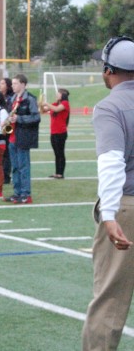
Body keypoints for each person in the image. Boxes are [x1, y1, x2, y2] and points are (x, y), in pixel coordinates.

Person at [82, 36, 134, 351]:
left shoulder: (111, 106)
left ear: (108, 70)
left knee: (110, 302)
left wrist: (110, 213)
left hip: (127, 206)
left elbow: (112, 161)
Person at [3, 74, 40, 204]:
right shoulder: (12, 99)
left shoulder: (30, 99)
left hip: (23, 137)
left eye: (15, 83)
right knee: (15, 167)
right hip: (12, 136)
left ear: (23, 84)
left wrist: (19, 119)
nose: (12, 86)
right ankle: (17, 193)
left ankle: (26, 194)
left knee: (23, 167)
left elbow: (36, 117)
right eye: (12, 84)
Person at [41, 88, 70, 179]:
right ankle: (57, 172)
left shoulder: (65, 104)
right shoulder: (54, 104)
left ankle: (60, 173)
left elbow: (57, 109)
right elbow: (43, 111)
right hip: (53, 132)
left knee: (60, 153)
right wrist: (41, 104)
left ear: (63, 95)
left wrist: (46, 103)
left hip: (61, 132)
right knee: (56, 153)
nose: (57, 95)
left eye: (58, 94)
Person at [0, 77, 14, 185]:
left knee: (7, 153)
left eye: (3, 83)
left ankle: (6, 175)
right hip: (0, 127)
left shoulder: (11, 98)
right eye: (0, 83)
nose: (0, 85)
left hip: (9, 127)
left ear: (8, 86)